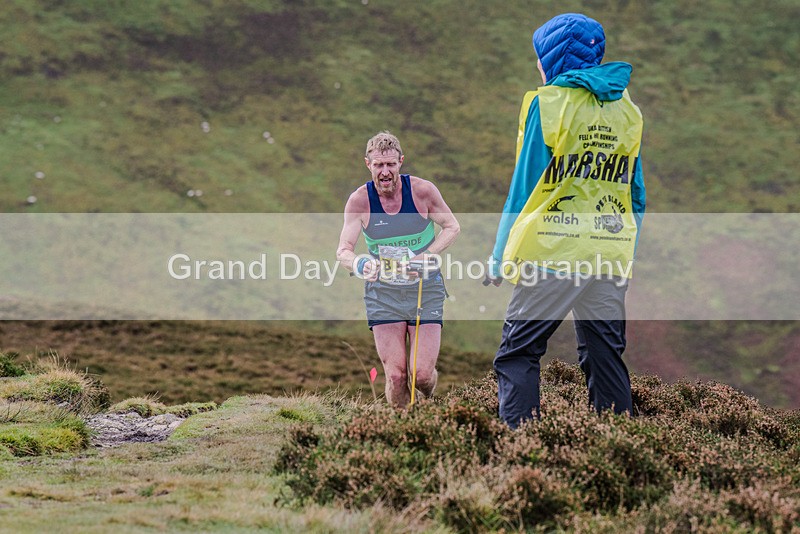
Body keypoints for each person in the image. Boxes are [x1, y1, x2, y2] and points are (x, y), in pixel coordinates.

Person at [485, 13, 646, 428]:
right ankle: (620, 450)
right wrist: (624, 253)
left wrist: (500, 254)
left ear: (553, 58)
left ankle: (524, 455)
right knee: (604, 354)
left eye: (539, 55)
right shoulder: (626, 109)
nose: (536, 64)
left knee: (518, 353)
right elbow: (637, 196)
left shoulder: (548, 104)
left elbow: (523, 190)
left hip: (553, 250)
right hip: (607, 253)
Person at [337, 131, 460, 407]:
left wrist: (427, 255)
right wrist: (360, 263)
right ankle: (401, 427)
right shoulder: (360, 201)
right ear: (367, 164)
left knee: (422, 376)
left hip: (424, 288)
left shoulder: (422, 192)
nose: (385, 171)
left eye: (391, 164)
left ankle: (428, 405)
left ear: (400, 162)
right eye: (379, 165)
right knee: (395, 375)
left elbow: (452, 226)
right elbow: (343, 249)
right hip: (383, 292)